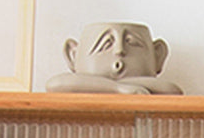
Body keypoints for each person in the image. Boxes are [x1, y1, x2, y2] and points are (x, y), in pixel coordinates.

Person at [45, 21, 182, 94]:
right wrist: (118, 88)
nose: (119, 50)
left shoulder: (163, 86)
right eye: (106, 44)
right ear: (73, 55)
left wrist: (123, 85)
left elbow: (171, 89)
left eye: (132, 43)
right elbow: (55, 84)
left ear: (158, 55)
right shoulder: (66, 80)